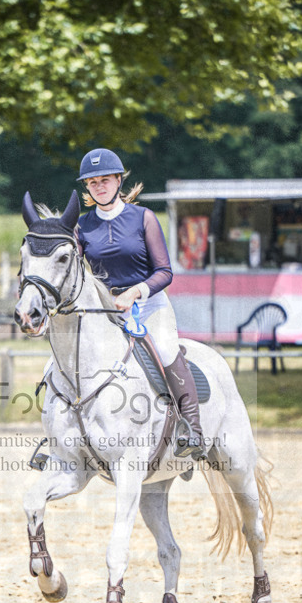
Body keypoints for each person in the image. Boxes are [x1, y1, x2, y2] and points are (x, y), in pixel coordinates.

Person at [75, 146, 203, 457]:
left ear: (118, 180)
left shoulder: (143, 218)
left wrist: (134, 292)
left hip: (149, 305)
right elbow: (73, 272)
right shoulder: (82, 226)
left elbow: (165, 272)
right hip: (106, 312)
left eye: (105, 180)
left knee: (166, 349)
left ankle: (192, 428)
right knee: (73, 356)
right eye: (92, 182)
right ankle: (62, 430)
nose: (99, 186)